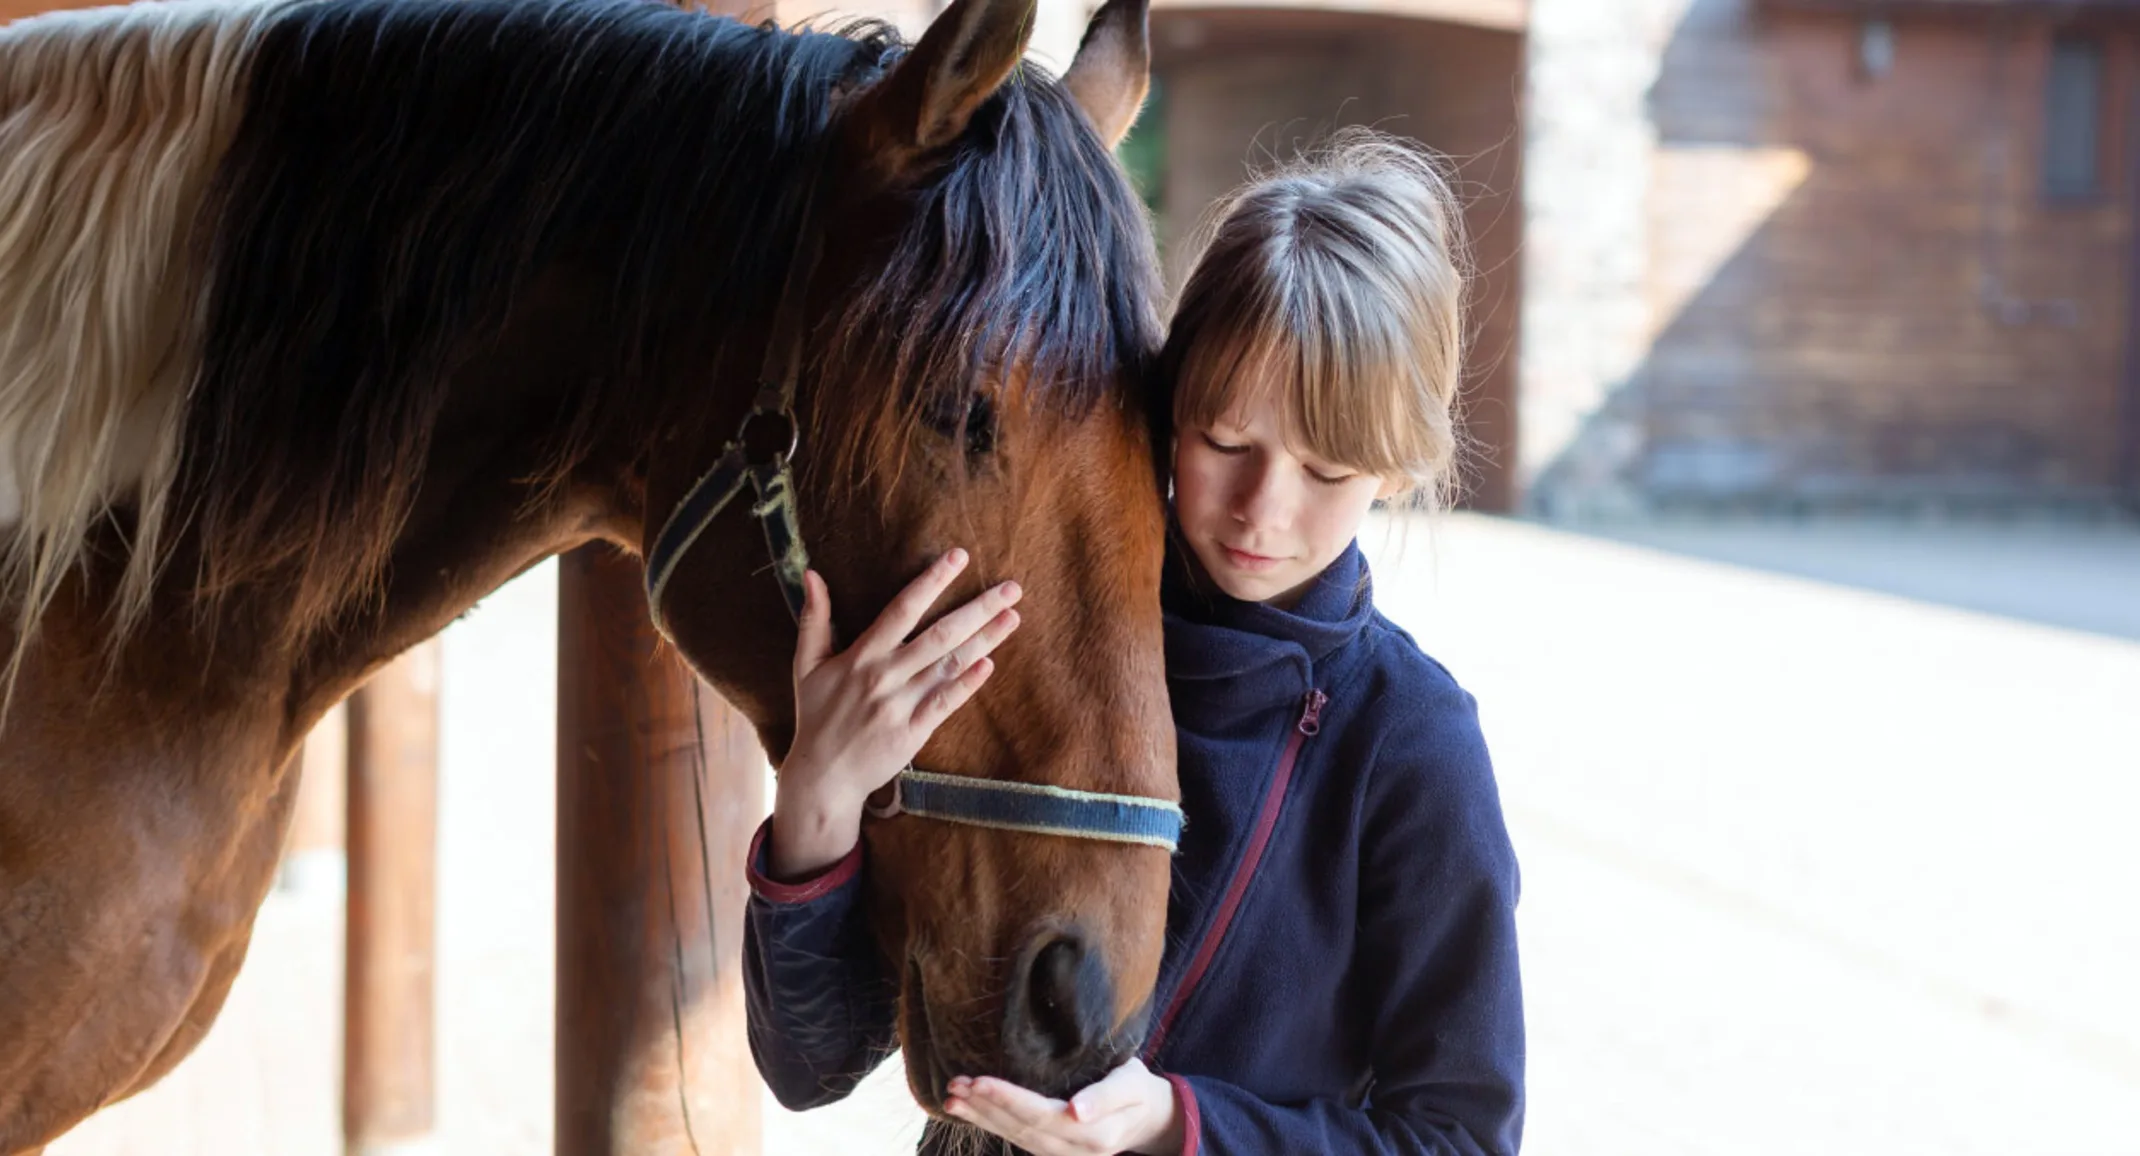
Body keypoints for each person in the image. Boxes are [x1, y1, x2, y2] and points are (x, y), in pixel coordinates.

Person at [742, 128, 1525, 1156]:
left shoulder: (1411, 742)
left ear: (1400, 470)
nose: (1262, 511)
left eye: (1328, 472)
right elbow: (809, 1064)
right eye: (1224, 443)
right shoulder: (1018, 641)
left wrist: (1177, 1126)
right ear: (1159, 405)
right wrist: (816, 806)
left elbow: (1461, 1137)